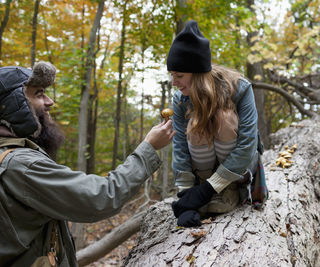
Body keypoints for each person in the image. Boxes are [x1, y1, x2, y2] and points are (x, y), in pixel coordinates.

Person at [0, 62, 175, 266]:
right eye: (38, 94)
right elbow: (101, 196)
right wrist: (148, 148)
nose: (50, 101)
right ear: (13, 104)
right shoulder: (20, 165)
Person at [167, 21, 267, 227]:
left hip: (237, 171)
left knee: (223, 118)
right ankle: (205, 191)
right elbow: (179, 148)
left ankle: (228, 191)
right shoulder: (180, 100)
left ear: (197, 74)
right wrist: (187, 199)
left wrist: (209, 190)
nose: (174, 82)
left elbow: (248, 143)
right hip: (201, 177)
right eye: (172, 75)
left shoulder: (240, 88)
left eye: (179, 76)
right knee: (196, 125)